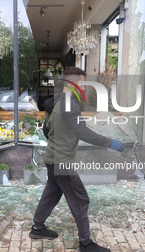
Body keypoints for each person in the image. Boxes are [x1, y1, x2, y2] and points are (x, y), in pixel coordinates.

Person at [29, 66, 124, 252]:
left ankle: (37, 228)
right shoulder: (69, 104)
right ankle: (86, 244)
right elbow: (82, 132)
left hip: (52, 158)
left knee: (52, 193)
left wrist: (60, 141)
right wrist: (109, 142)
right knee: (81, 199)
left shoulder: (55, 103)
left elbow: (46, 130)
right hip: (61, 162)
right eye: (81, 82)